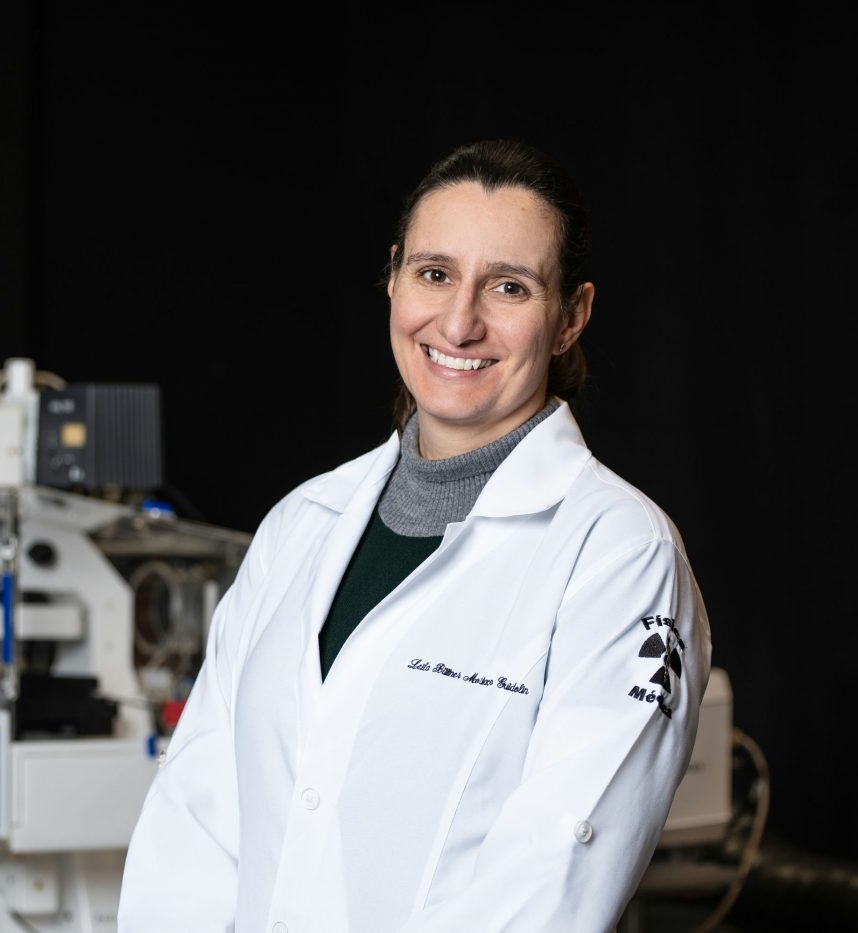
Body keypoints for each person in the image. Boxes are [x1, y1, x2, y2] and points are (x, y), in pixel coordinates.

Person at [118, 139, 712, 932]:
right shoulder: (303, 523)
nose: (459, 322)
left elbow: (555, 875)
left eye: (508, 286)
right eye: (434, 273)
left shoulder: (618, 554)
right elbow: (194, 820)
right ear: (394, 278)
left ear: (571, 316)